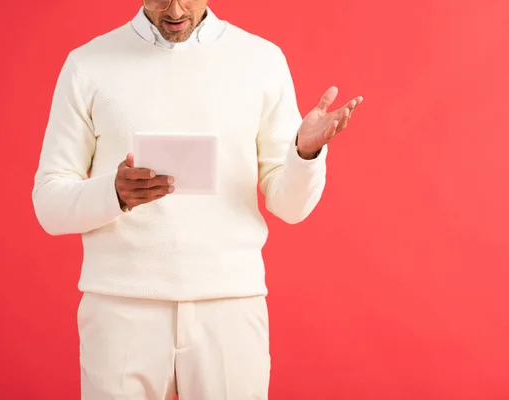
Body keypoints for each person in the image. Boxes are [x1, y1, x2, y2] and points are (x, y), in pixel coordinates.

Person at [32, 0, 362, 399]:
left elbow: (290, 207)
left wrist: (304, 155)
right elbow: (49, 203)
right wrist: (113, 193)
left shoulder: (260, 60)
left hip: (229, 308)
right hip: (120, 311)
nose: (174, 9)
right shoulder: (88, 64)